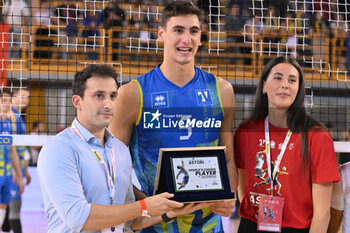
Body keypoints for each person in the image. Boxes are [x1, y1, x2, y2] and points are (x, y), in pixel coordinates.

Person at [109, 1, 237, 232]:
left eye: (193, 31)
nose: (186, 39)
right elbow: (114, 168)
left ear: (200, 37)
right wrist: (149, 207)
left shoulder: (222, 91)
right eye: (178, 30)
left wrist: (231, 195)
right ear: (161, 34)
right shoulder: (132, 94)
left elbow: (228, 157)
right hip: (156, 225)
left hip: (209, 226)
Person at [37, 64, 205, 233]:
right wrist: (145, 205)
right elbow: (78, 217)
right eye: (99, 96)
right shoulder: (59, 149)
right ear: (77, 102)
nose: (108, 104)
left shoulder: (120, 150)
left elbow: (129, 221)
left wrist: (167, 213)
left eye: (113, 96)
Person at [234, 56, 340, 233]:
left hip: (296, 228)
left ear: (298, 90)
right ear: (264, 86)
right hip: (252, 225)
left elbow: (322, 214)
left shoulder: (317, 136)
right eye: (278, 77)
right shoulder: (246, 131)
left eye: (292, 80)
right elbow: (242, 185)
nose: (285, 84)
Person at [2, 88, 31, 233]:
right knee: (13, 209)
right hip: (8, 169)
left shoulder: (17, 116)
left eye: (28, 97)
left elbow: (18, 147)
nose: (25, 100)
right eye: (22, 96)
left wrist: (24, 170)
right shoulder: (9, 116)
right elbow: (11, 147)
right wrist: (15, 169)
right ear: (14, 97)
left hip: (15, 167)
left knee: (8, 208)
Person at [0, 88, 24, 230]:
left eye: (10, 100)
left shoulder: (11, 122)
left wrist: (20, 176)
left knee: (3, 206)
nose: (8, 103)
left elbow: (13, 150)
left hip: (7, 174)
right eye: (4, 101)